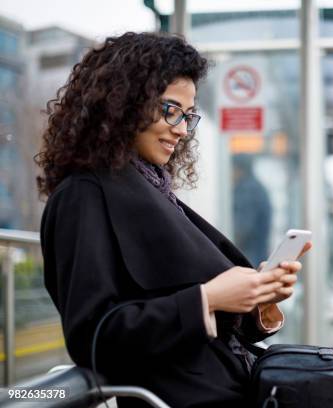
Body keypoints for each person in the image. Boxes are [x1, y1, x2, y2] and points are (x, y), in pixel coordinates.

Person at [35, 32, 310, 408]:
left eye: (188, 115)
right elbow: (92, 339)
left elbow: (210, 318)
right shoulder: (84, 195)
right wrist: (207, 298)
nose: (182, 129)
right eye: (170, 110)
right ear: (125, 103)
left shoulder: (151, 189)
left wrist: (261, 300)